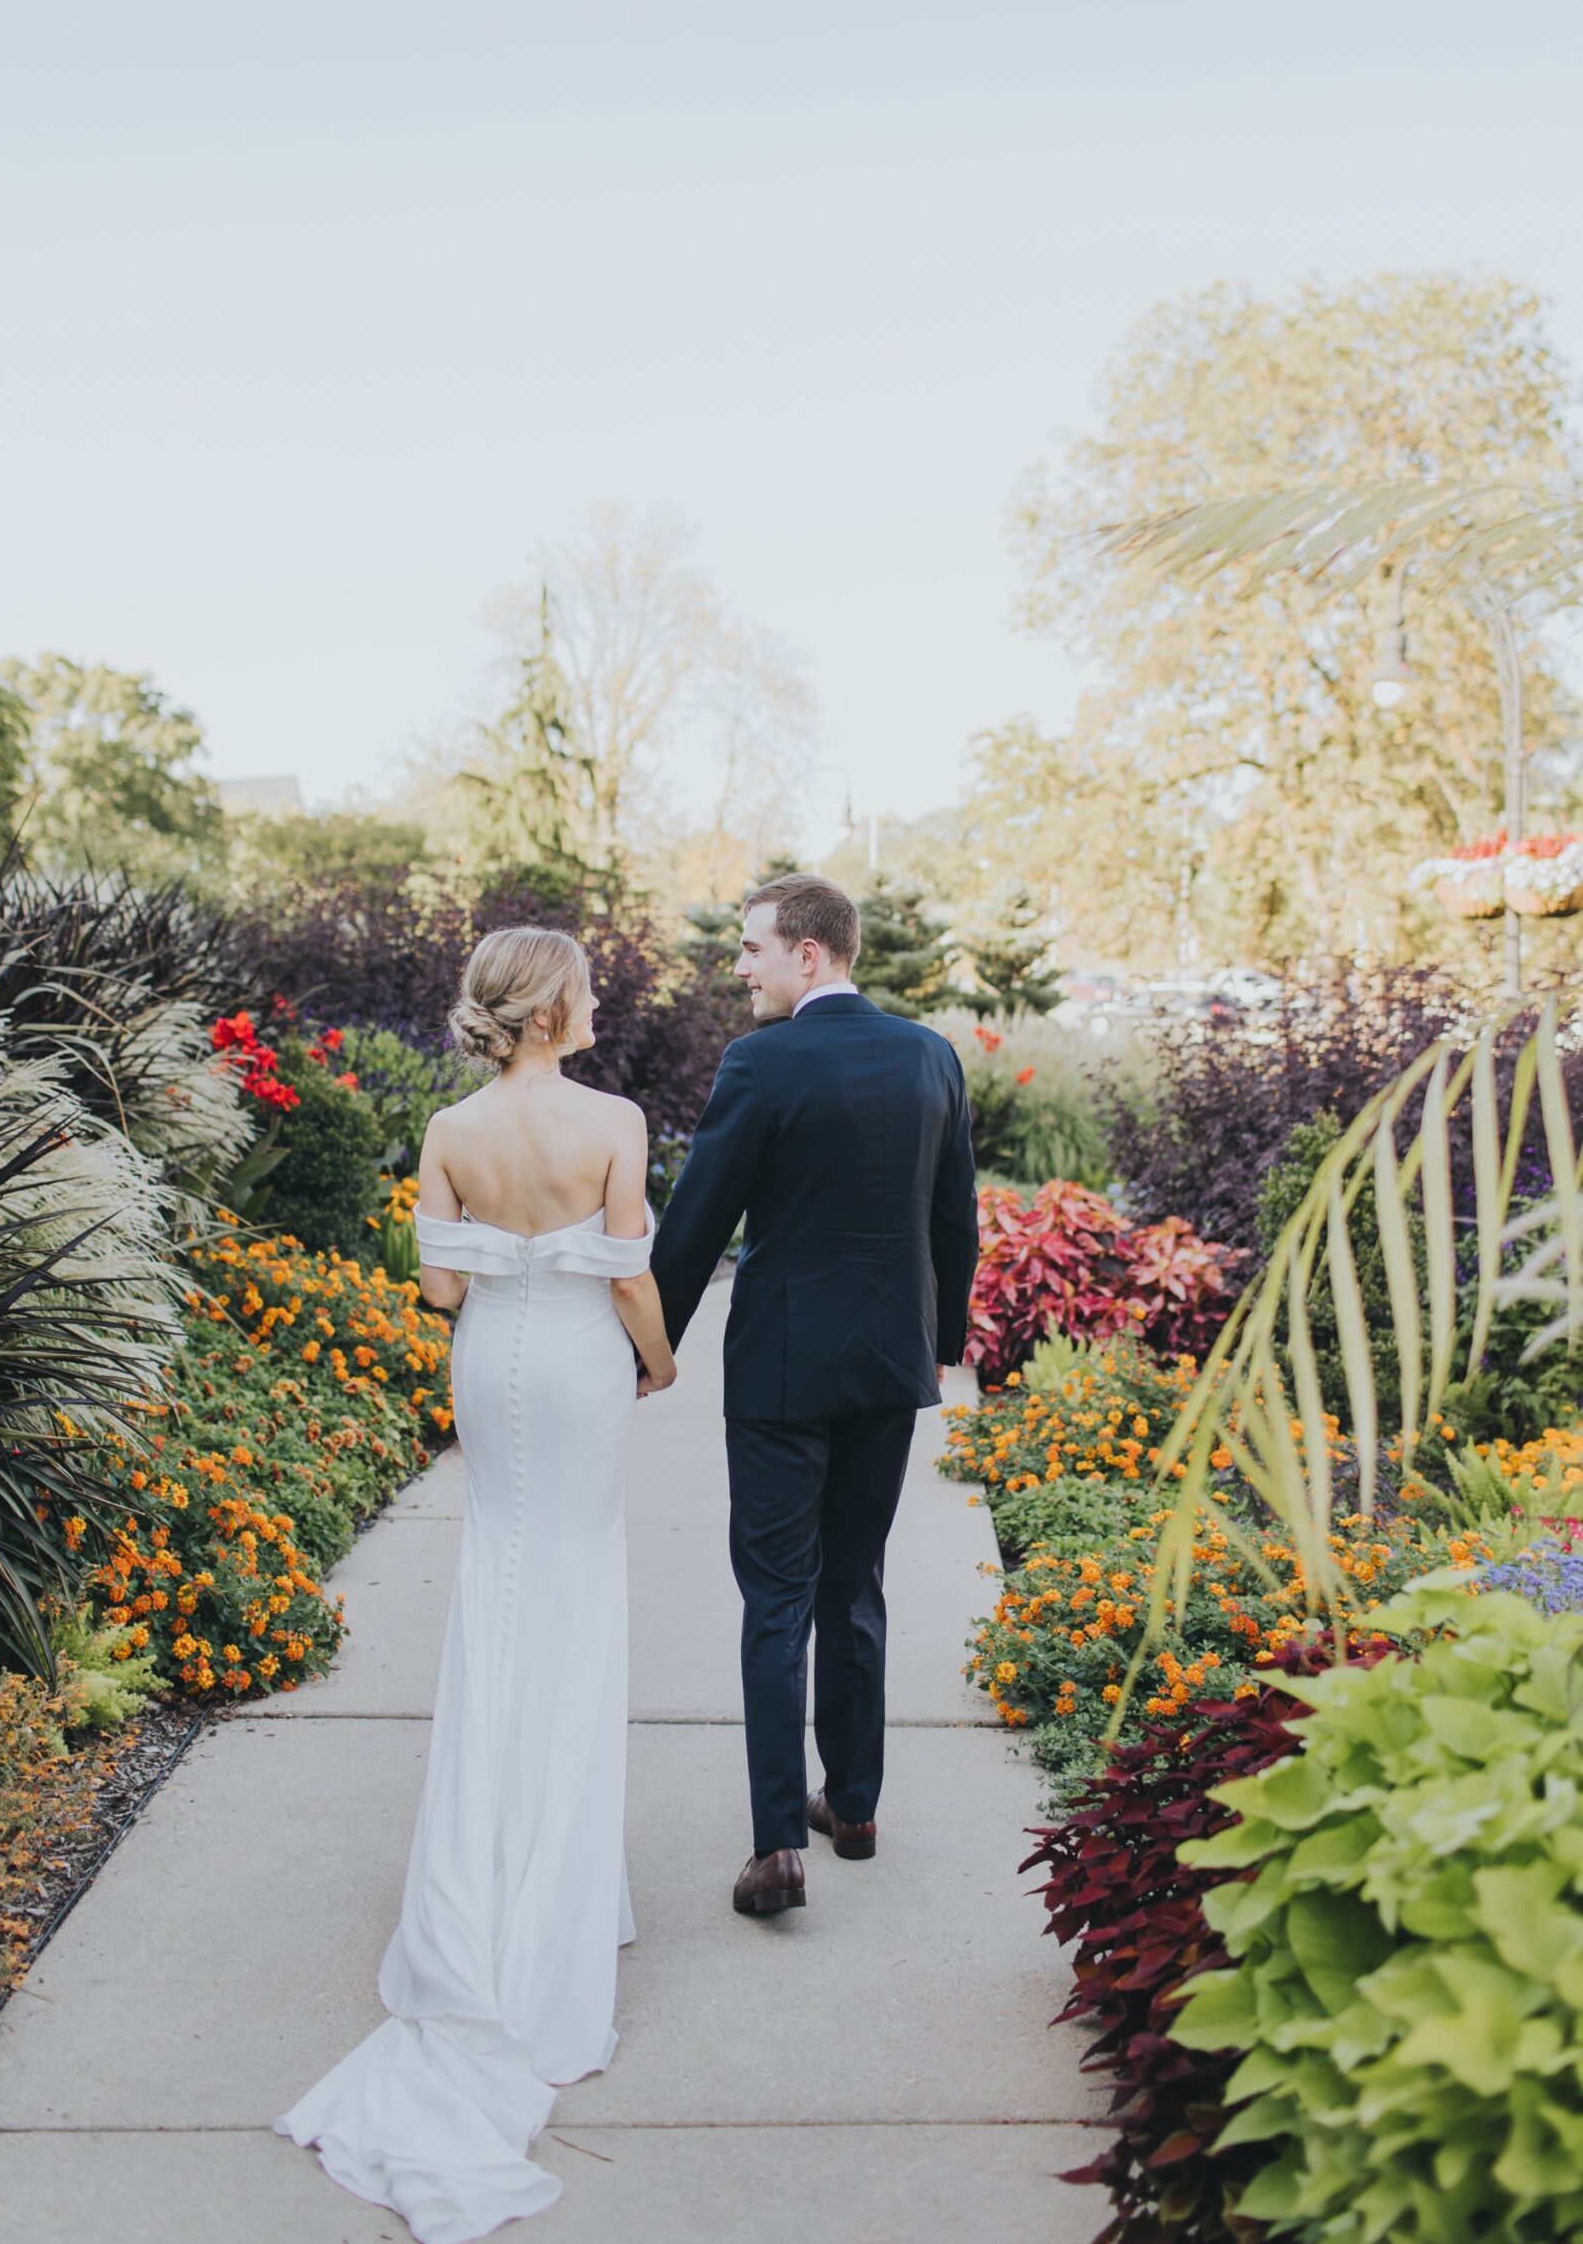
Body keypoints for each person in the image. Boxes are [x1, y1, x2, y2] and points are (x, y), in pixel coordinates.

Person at [276, 925, 676, 2244]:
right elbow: (630, 1275)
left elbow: (438, 1285)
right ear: (554, 1004)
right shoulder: (611, 1119)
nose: (601, 996)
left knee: (498, 1590)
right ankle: (556, 1912)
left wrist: (509, 1262)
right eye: (589, 984)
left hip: (492, 1356)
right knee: (573, 1591)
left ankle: (487, 1895)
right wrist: (660, 1366)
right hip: (575, 1363)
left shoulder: (448, 1128)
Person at [651, 872, 978, 1917]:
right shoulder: (930, 1055)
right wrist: (939, 1350)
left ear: (809, 953)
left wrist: (641, 1353)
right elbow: (954, 1225)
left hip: (781, 1376)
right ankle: (858, 1803)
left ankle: (775, 1844)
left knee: (775, 1601)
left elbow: (696, 1224)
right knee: (855, 1584)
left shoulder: (760, 1063)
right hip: (889, 1369)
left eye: (750, 949)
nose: (737, 968)